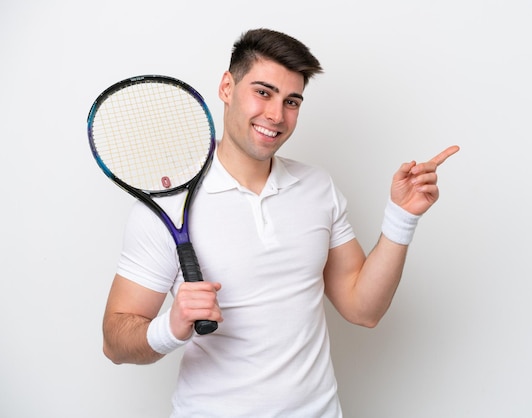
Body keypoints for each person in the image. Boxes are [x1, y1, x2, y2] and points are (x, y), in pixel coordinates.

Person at [102, 28, 459, 417]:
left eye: (292, 101)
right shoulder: (166, 211)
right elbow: (115, 342)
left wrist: (401, 217)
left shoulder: (317, 188)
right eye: (263, 92)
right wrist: (170, 327)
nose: (276, 115)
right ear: (226, 87)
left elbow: (364, 309)